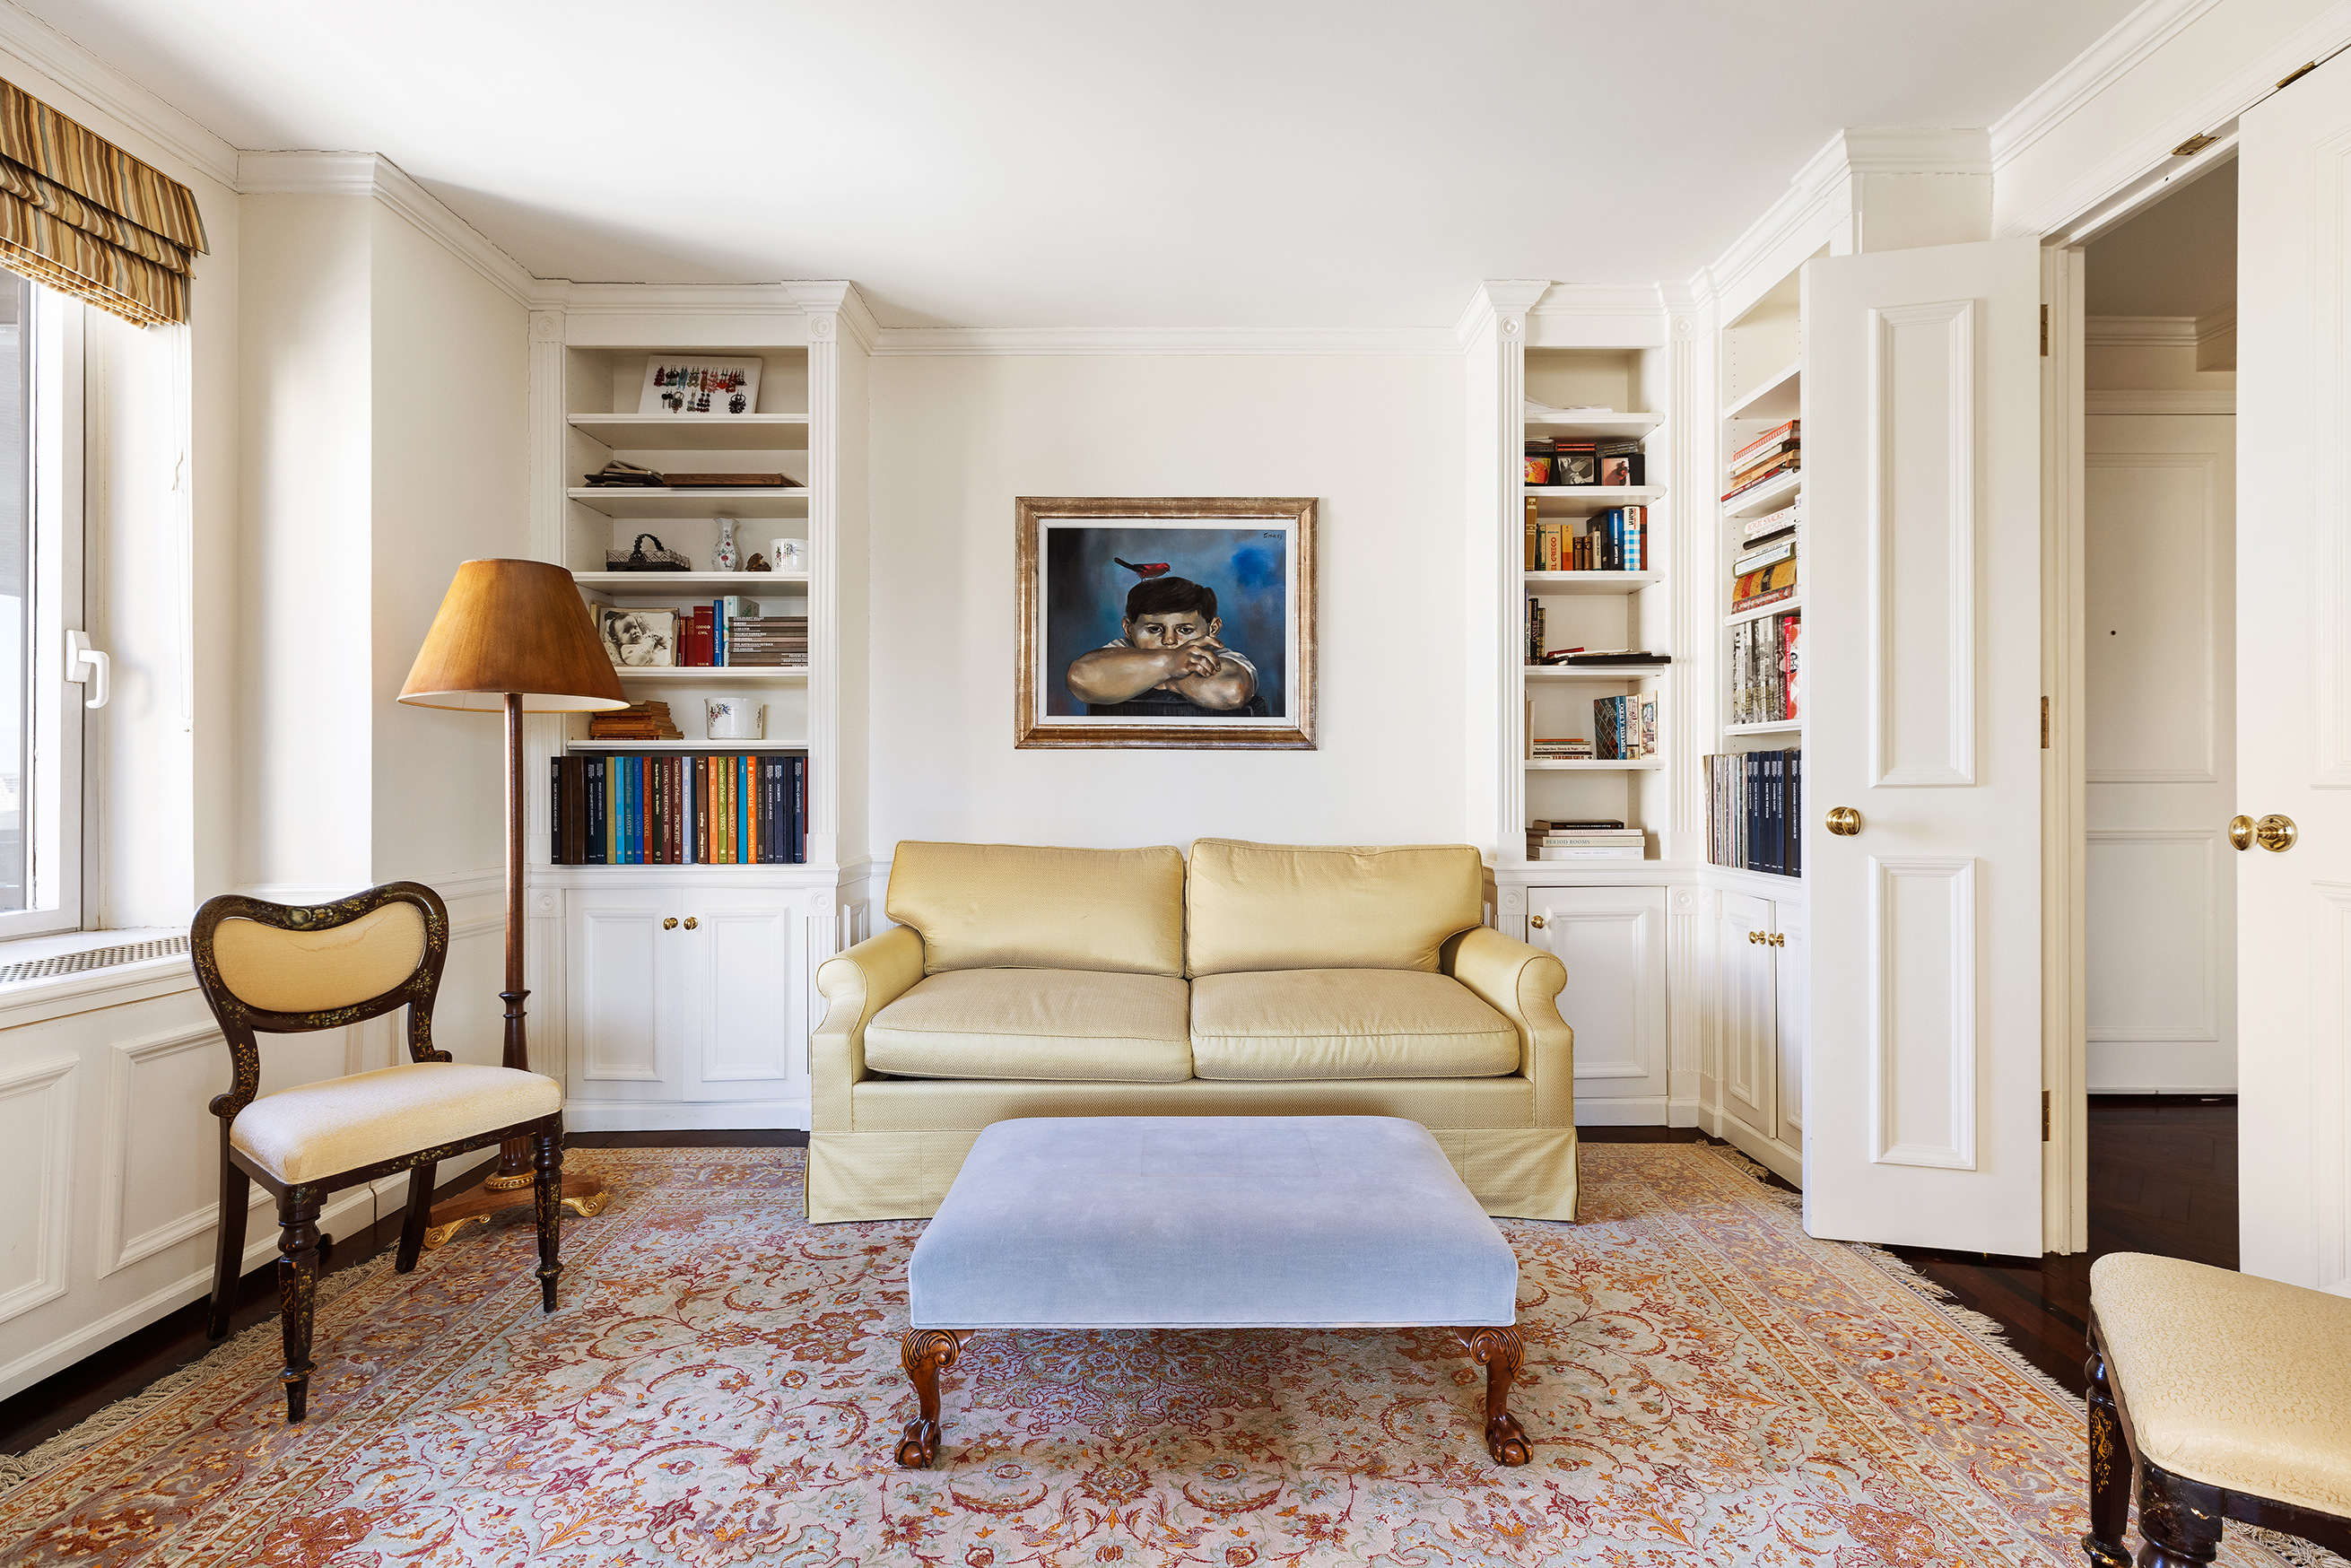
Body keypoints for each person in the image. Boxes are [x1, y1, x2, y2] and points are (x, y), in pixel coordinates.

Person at [1066, 575, 1268, 719]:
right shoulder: (1123, 649)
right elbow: (1080, 677)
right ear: (1128, 629)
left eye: (1185, 630)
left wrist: (1162, 677)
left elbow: (1233, 690)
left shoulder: (1221, 656)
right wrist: (1170, 664)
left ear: (1212, 629)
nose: (1169, 641)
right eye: (1154, 630)